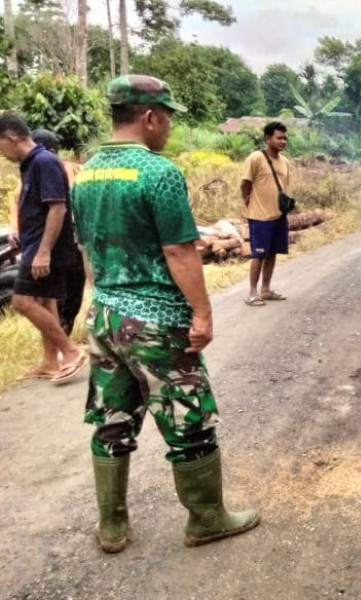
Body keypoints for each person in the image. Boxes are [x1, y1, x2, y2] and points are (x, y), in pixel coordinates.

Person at [71, 74, 260, 553]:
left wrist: (107, 299)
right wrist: (202, 314)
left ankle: (111, 526)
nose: (170, 126)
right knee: (188, 417)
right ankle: (207, 517)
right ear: (149, 117)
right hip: (156, 322)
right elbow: (179, 252)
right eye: (168, 116)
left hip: (106, 317)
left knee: (113, 416)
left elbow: (87, 253)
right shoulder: (159, 173)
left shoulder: (87, 173)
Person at [0, 113, 87, 383]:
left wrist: (44, 251)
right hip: (36, 246)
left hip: (45, 249)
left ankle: (71, 351)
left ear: (11, 139)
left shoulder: (44, 162)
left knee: (22, 302)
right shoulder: (30, 164)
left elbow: (57, 207)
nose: (1, 153)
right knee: (45, 301)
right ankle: (51, 362)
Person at [30, 129, 88, 336]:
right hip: (69, 243)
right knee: (66, 295)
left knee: (65, 295)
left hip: (65, 244)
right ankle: (62, 340)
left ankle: (63, 340)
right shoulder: (72, 171)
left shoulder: (48, 170)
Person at [240, 121, 293, 307]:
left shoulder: (285, 162)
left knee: (272, 254)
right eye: (279, 137)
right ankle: (252, 293)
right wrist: (249, 202)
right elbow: (245, 183)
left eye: (285, 138)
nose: (283, 141)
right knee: (259, 254)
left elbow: (285, 189)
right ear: (267, 138)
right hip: (260, 217)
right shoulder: (256, 158)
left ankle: (266, 289)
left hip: (279, 216)